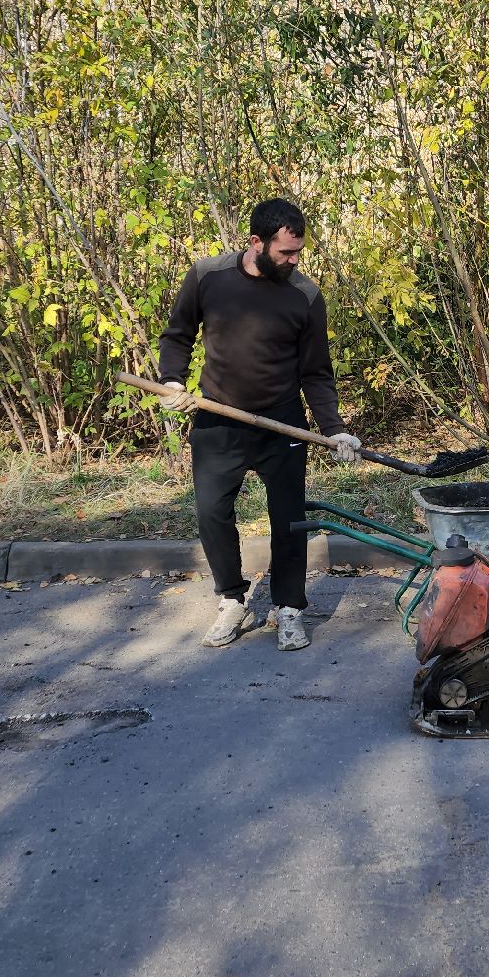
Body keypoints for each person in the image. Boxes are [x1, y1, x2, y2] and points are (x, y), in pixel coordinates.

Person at [156, 197, 360, 651]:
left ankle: (289, 608)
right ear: (256, 242)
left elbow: (316, 373)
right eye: (285, 252)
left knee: (288, 519)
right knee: (212, 511)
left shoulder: (305, 296)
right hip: (217, 418)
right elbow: (178, 334)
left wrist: (334, 428)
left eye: (298, 253)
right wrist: (172, 381)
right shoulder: (208, 276)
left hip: (282, 423)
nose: (293, 261)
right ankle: (232, 600)